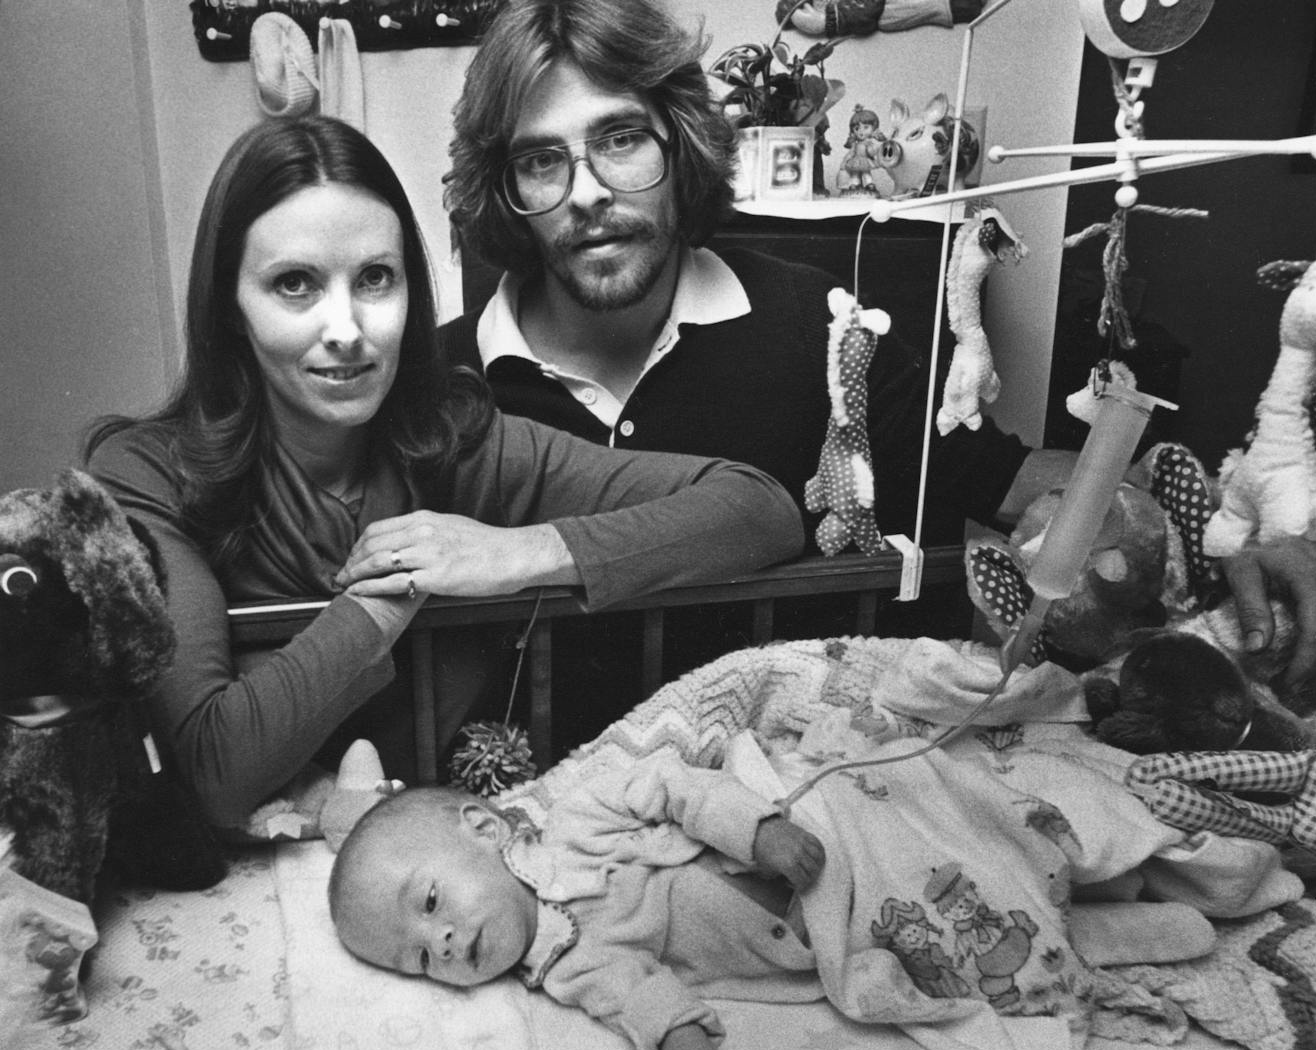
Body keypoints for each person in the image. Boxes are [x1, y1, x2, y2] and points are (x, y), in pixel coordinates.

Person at [437, 0, 1316, 696]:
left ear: (680, 147)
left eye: (622, 139)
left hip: (789, 796)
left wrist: (1236, 528)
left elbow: (1006, 479)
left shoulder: (823, 325)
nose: (590, 190)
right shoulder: (443, 385)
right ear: (505, 185)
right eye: (542, 160)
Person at [83, 115, 804, 837]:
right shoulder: (147, 477)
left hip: (449, 884)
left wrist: (520, 551)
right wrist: (395, 590)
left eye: (374, 278)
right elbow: (211, 771)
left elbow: (760, 509)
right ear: (231, 308)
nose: (346, 328)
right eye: (295, 284)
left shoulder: (455, 444)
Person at [329, 774, 827, 1050]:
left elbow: (674, 785)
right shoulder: (567, 969)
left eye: (431, 901)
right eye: (420, 959)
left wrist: (760, 833)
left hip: (815, 834)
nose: (440, 942)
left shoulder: (579, 818)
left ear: (484, 829)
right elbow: (645, 998)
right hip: (828, 939)